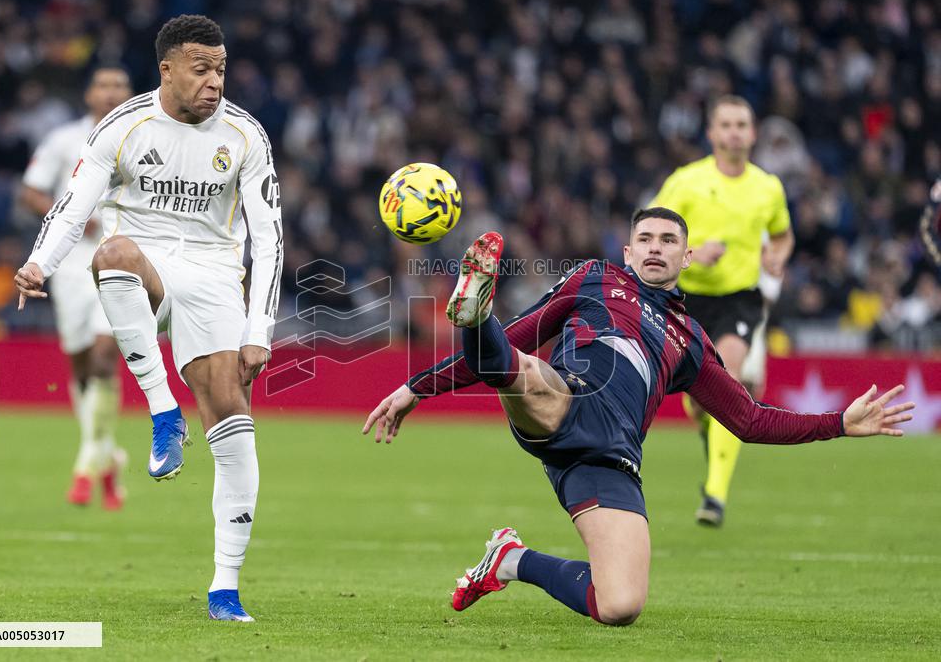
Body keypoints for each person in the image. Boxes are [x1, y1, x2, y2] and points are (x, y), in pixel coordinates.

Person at [363, 210, 913, 626]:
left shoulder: (691, 340)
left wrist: (838, 422)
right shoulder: (594, 279)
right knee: (523, 371)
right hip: (571, 395)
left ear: (687, 257)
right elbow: (514, 343)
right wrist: (419, 385)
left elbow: (749, 420)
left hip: (610, 457)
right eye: (645, 239)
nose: (656, 248)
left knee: (619, 605)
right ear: (628, 251)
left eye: (668, 241)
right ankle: (476, 311)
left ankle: (509, 559)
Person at [15, 15, 283, 622]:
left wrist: (258, 329)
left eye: (220, 69)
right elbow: (71, 204)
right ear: (167, 69)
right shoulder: (126, 123)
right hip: (149, 264)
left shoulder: (246, 134)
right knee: (110, 256)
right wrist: (38, 264)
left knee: (233, 426)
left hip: (216, 276)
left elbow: (269, 238)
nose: (215, 81)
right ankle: (164, 410)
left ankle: (225, 586)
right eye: (201, 69)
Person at [650, 95, 795, 526]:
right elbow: (650, 234)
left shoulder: (767, 187)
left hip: (738, 298)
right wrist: (692, 251)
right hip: (686, 299)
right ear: (711, 133)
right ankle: (707, 430)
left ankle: (714, 495)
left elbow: (783, 235)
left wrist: (778, 257)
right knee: (701, 401)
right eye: (726, 125)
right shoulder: (685, 182)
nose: (734, 132)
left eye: (741, 124)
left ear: (752, 134)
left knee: (728, 379)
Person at [20, 65, 133, 510]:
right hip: (69, 268)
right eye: (103, 85)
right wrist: (69, 214)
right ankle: (108, 457)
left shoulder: (146, 137)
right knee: (83, 369)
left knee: (106, 359)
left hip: (124, 262)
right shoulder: (64, 140)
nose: (111, 92)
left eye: (119, 85)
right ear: (89, 94)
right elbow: (30, 192)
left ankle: (85, 468)